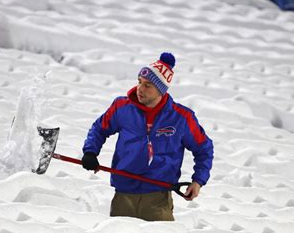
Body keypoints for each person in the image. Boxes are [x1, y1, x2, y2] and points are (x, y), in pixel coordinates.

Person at [82, 52, 214, 221]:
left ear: (161, 90)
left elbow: (204, 148)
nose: (140, 89)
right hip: (124, 195)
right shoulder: (122, 107)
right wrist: (90, 152)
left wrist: (198, 180)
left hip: (158, 199)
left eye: (148, 85)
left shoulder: (181, 118)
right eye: (139, 82)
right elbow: (99, 129)